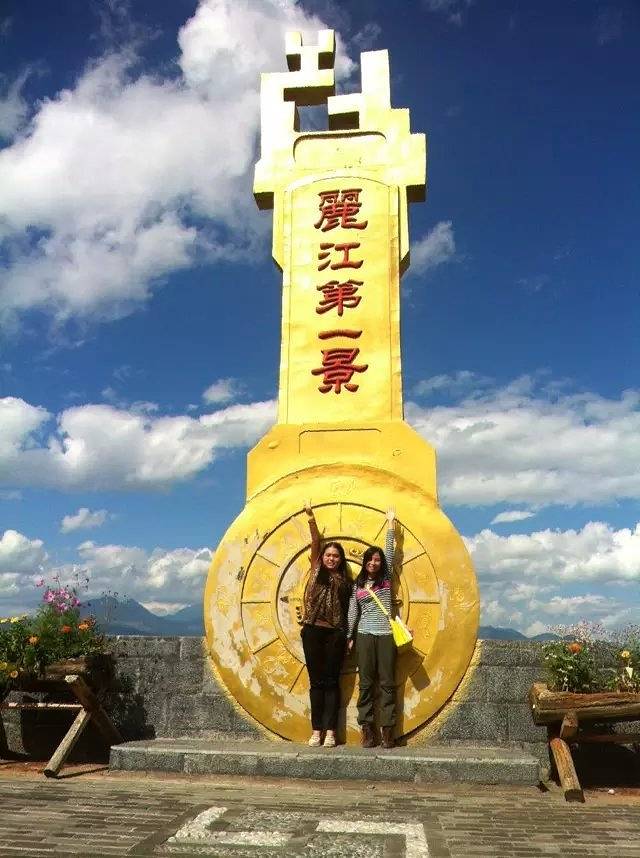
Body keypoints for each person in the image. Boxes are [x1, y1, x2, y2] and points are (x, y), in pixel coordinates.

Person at [300, 502, 352, 748]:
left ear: (341, 560)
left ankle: (331, 731)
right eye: (328, 555)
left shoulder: (345, 582)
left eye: (336, 556)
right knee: (316, 683)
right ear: (322, 557)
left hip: (335, 634)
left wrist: (349, 636)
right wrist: (311, 519)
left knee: (332, 682)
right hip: (312, 631)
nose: (331, 558)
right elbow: (315, 542)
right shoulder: (315, 570)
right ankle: (316, 731)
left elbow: (350, 611)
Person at [347, 508, 397, 749]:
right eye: (370, 559)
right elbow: (352, 612)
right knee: (365, 684)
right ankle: (367, 730)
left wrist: (390, 525)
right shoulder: (357, 585)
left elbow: (390, 551)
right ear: (364, 562)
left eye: (377, 560)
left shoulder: (386, 579)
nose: (374, 563)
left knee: (387, 683)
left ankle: (388, 731)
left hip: (386, 634)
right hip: (364, 635)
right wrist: (349, 635)